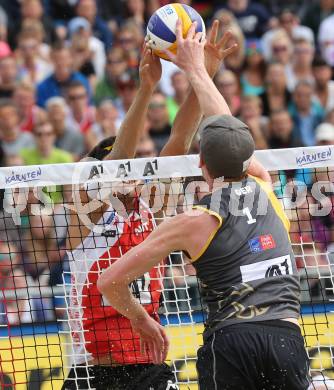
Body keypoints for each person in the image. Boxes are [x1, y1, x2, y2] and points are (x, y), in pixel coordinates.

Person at [97, 19, 310, 390]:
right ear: (246, 160)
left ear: (200, 164)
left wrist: (139, 318)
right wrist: (200, 72)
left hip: (230, 341)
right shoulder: (266, 186)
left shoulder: (189, 221)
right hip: (285, 336)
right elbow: (227, 129)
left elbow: (110, 281)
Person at [63, 21, 243, 390]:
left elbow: (181, 136)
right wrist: (144, 90)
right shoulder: (90, 212)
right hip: (96, 370)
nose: (131, 168)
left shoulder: (151, 209)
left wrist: (203, 71)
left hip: (148, 366)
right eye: (119, 163)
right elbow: (118, 161)